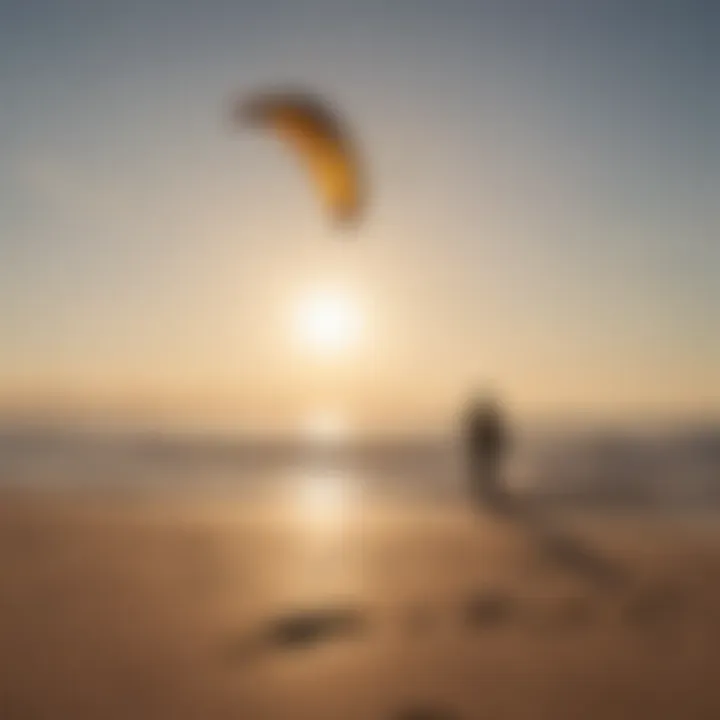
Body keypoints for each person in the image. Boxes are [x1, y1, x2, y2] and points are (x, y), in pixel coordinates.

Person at [461, 393, 510, 512]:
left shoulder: (483, 422)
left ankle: (484, 492)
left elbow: (480, 438)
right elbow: (493, 437)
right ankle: (484, 492)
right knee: (486, 471)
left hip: (485, 451)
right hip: (486, 451)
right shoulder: (486, 422)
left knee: (485, 471)